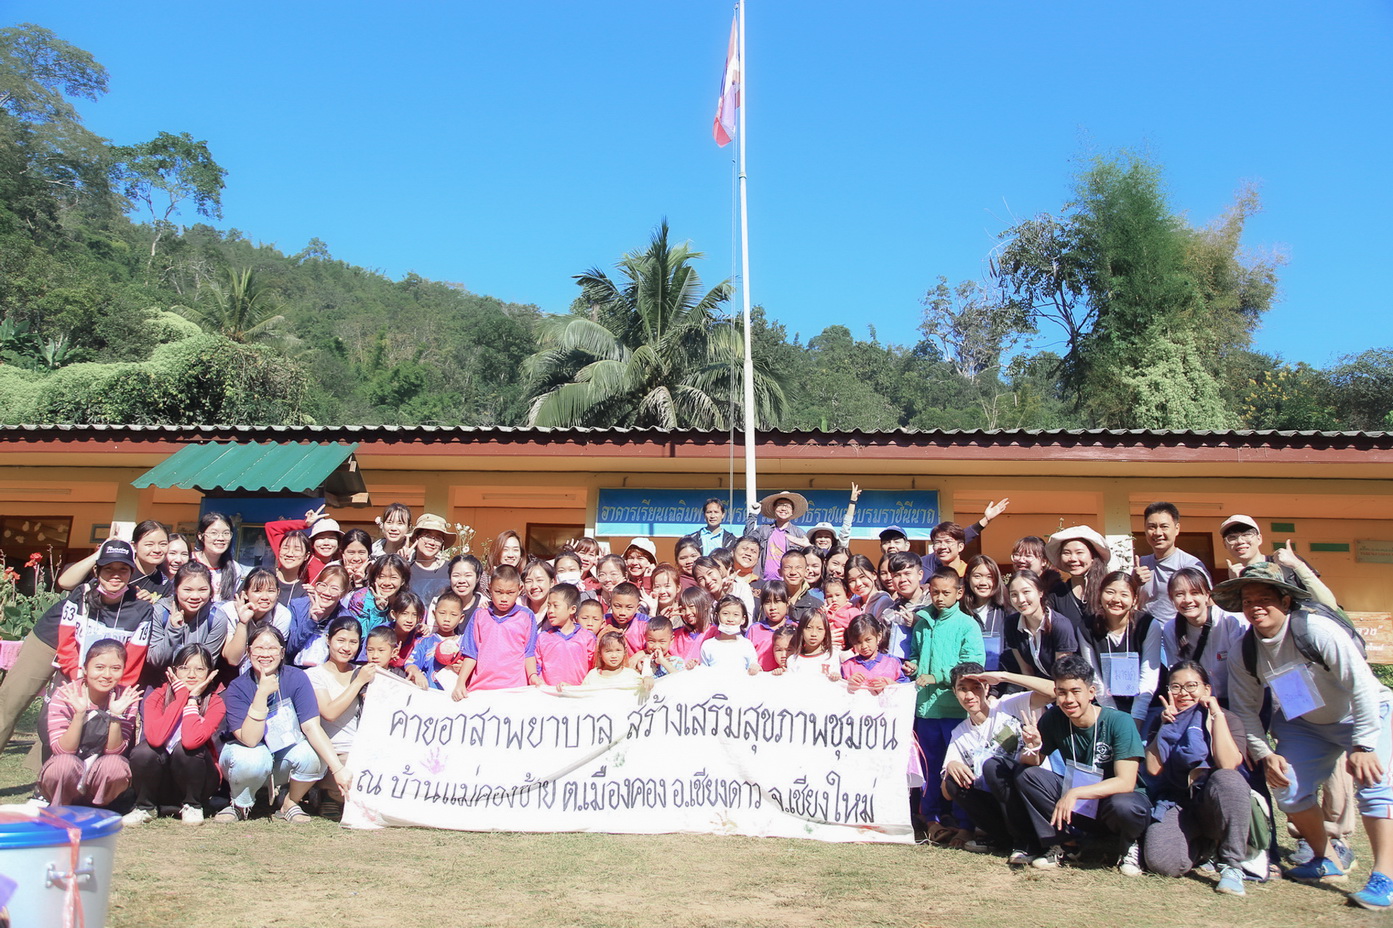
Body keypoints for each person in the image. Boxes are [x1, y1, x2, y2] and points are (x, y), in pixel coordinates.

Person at [1219, 562, 1393, 910]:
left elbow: (1362, 687)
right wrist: (1265, 754)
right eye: (1248, 600)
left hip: (1362, 715)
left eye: (1265, 598)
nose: (1256, 607)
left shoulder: (1317, 631)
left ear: (1285, 601)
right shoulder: (1244, 649)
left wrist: (1364, 744)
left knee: (1375, 786)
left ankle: (1384, 878)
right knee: (1289, 788)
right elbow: (1245, 709)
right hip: (1305, 723)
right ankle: (1325, 859)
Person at [0, 539, 153, 753]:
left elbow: (134, 658)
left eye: (123, 569)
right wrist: (78, 677)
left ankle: (54, 775)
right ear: (96, 570)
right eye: (108, 568)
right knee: (11, 703)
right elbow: (66, 639)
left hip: (99, 666)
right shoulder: (81, 594)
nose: (116, 575)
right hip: (54, 643)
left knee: (63, 719)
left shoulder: (142, 605)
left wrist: (110, 686)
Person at [1013, 655, 1152, 875]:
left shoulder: (1119, 722)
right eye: (1061, 692)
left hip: (1115, 803)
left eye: (1075, 691)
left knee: (1125, 805)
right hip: (1082, 805)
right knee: (1026, 775)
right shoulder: (1054, 718)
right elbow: (1032, 762)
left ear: (1091, 692)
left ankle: (1130, 847)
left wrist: (1075, 793)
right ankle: (1063, 845)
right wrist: (1032, 747)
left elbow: (1126, 782)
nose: (1068, 699)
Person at [214, 624, 350, 823]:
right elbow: (250, 740)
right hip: (245, 757)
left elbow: (311, 727)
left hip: (281, 755)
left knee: (314, 754)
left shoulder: (297, 678)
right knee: (256, 757)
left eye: (271, 648)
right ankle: (240, 803)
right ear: (248, 651)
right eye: (259, 648)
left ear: (282, 652)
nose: (265, 654)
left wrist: (338, 769)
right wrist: (261, 693)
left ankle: (290, 802)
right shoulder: (237, 687)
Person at [1141, 659, 1252, 896]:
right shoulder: (1162, 719)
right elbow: (1153, 769)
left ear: (1207, 689)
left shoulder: (1228, 718)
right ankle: (1204, 848)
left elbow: (1228, 764)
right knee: (1163, 864)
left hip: (1212, 800)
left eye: (1191, 686)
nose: (1183, 693)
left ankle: (1232, 864)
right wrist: (1165, 728)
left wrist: (1216, 715)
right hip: (1177, 801)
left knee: (1228, 780)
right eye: (1175, 687)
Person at [940, 663, 1056, 858]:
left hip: (1028, 791)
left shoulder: (1009, 705)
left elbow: (1054, 691)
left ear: (987, 687)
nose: (970, 696)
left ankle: (1027, 841)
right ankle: (1004, 839)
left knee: (993, 766)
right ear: (955, 692)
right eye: (963, 689)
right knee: (953, 781)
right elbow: (947, 794)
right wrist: (951, 766)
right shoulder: (959, 733)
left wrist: (1004, 676)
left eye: (976, 688)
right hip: (999, 803)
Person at [912, 569, 986, 843]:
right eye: (935, 592)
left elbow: (974, 664)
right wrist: (912, 665)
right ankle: (931, 819)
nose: (940, 598)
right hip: (926, 711)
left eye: (946, 593)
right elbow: (914, 654)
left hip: (955, 710)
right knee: (929, 768)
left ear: (959, 592)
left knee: (959, 767)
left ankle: (965, 823)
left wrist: (939, 676)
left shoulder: (967, 625)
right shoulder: (922, 621)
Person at [128, 643, 224, 825]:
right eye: (184, 668)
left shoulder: (215, 702)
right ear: (173, 671)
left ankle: (192, 805)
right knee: (144, 751)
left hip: (198, 778)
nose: (191, 674)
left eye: (199, 669)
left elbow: (190, 741)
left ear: (210, 673)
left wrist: (193, 700)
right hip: (161, 777)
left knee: (187, 750)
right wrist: (181, 696)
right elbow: (155, 739)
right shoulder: (156, 696)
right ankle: (145, 807)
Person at [39, 639, 142, 809]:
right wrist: (79, 714)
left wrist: (116, 716)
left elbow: (114, 751)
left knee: (116, 765)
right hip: (68, 772)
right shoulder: (66, 694)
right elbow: (62, 750)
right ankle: (61, 806)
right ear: (85, 669)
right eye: (99, 667)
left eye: (115, 668)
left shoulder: (126, 698)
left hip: (99, 773)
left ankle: (99, 808)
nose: (107, 675)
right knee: (63, 765)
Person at [1075, 570, 1162, 727]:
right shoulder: (1086, 628)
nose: (1116, 599)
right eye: (1110, 592)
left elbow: (1149, 676)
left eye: (1124, 594)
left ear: (1134, 599)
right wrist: (1114, 718)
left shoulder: (1148, 625)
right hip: (1106, 706)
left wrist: (1136, 720)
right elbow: (1095, 677)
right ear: (1100, 594)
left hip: (1148, 706)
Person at [308, 617, 370, 818]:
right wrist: (357, 683)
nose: (347, 647)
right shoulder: (314, 675)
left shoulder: (364, 672)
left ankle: (334, 797)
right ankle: (328, 795)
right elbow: (329, 712)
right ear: (328, 640)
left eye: (353, 642)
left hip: (357, 747)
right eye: (341, 640)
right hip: (329, 751)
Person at [1160, 567, 1249, 706]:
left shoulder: (1230, 621)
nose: (1187, 600)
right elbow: (1178, 673)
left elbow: (1243, 672)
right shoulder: (1171, 629)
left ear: (1207, 595)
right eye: (1179, 594)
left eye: (1195, 593)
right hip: (1198, 703)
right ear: (1171, 598)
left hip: (1238, 700)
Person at [449, 565, 539, 697]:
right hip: (481, 688)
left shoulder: (526, 616)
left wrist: (533, 677)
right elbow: (471, 653)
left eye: (510, 593)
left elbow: (529, 653)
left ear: (520, 589)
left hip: (515, 690)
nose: (504, 598)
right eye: (498, 592)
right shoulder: (480, 615)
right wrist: (461, 682)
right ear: (490, 588)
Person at [1220, 514, 1338, 607]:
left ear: (1259, 539)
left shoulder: (1287, 564)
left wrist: (1298, 565)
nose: (1240, 541)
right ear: (1225, 544)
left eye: (1246, 534)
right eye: (1232, 537)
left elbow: (1328, 605)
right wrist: (1235, 586)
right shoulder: (1234, 577)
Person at [1133, 502, 1209, 623]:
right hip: (1146, 633)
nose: (1157, 533)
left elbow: (1208, 603)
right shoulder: (1141, 563)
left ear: (1177, 528)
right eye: (1152, 527)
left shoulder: (1191, 565)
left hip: (1176, 634)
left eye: (1164, 526)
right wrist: (1134, 583)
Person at [148, 562, 229, 673]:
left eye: (202, 590)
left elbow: (207, 665)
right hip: (160, 681)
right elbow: (156, 660)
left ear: (211, 590)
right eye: (188, 590)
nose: (195, 596)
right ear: (176, 589)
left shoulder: (217, 619)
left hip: (196, 681)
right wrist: (174, 630)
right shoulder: (159, 612)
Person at [56, 520, 171, 597]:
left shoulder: (164, 583)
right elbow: (65, 582)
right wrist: (102, 551)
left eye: (163, 544)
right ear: (134, 546)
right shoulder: (114, 567)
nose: (157, 549)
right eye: (149, 544)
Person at [1003, 569, 1078, 681]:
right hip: (1037, 687)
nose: (1020, 600)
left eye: (1026, 592)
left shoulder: (1060, 625)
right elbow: (1026, 671)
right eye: (1014, 594)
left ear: (1040, 592)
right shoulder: (1011, 624)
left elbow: (1062, 676)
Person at [220, 569, 293, 674]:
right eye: (257, 591)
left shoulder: (282, 614)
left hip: (265, 669)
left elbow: (275, 656)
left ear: (278, 593)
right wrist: (243, 623)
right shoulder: (230, 610)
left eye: (270, 591)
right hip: (227, 672)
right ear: (245, 594)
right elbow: (233, 660)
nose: (265, 597)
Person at [918, 499, 1012, 577]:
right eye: (937, 542)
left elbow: (965, 535)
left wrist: (986, 520)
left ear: (961, 547)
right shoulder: (928, 571)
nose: (942, 546)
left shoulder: (971, 575)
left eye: (948, 541)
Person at [1044, 525, 1111, 631]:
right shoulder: (1057, 593)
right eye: (1066, 553)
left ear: (1093, 556)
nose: (1073, 558)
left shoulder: (1109, 589)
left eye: (1079, 552)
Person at [286, 566, 352, 667]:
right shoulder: (297, 606)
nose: (326, 592)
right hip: (295, 669)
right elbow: (289, 648)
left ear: (343, 593)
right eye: (322, 585)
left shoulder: (346, 619)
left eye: (334, 588)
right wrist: (312, 622)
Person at [536, 583, 596, 686]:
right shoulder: (542, 638)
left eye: (556, 606)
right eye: (549, 606)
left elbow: (594, 670)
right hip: (550, 696)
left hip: (578, 696)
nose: (550, 611)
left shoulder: (587, 638)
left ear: (572, 609)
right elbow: (537, 668)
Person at [264, 506, 341, 586]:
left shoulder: (338, 567)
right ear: (312, 543)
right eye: (321, 538)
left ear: (338, 542)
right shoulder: (296, 556)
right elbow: (271, 527)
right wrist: (304, 524)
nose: (326, 543)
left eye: (331, 538)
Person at [744, 491, 812, 582]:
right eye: (780, 505)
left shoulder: (799, 534)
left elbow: (809, 559)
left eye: (787, 506)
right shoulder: (763, 529)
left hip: (787, 582)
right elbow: (747, 541)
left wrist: (808, 546)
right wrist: (753, 515)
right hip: (761, 581)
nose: (783, 509)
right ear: (774, 508)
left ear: (792, 511)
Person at [408, 591, 468, 689]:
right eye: (442, 613)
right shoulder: (425, 642)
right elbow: (411, 664)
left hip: (456, 696)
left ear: (461, 618)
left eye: (453, 614)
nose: (447, 619)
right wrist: (417, 674)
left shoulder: (466, 643)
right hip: (430, 695)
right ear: (434, 614)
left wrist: (463, 668)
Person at [343, 555, 411, 639]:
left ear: (403, 581)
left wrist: (420, 628)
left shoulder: (407, 602)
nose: (387, 583)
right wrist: (378, 611)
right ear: (374, 578)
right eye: (381, 577)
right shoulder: (361, 598)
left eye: (393, 577)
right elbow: (362, 637)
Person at [964, 555, 1009, 671]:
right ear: (968, 578)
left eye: (990, 577)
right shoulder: (960, 613)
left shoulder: (1007, 611)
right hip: (969, 681)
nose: (983, 582)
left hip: (1003, 682)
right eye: (977, 576)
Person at [841, 614, 907, 692]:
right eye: (858, 642)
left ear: (878, 636)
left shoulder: (892, 662)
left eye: (868, 640)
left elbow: (905, 688)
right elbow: (840, 691)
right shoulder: (847, 666)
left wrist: (890, 684)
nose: (864, 646)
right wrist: (848, 683)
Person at [191, 512, 246, 603]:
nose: (221, 538)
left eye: (226, 533)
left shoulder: (234, 568)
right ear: (200, 536)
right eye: (214, 533)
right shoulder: (188, 561)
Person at [700, 595, 761, 674]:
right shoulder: (708, 645)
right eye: (725, 613)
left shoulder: (746, 645)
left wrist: (755, 668)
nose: (730, 619)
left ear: (743, 619)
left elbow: (753, 667)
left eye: (736, 614)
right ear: (717, 616)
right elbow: (703, 672)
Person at [406, 514, 455, 604]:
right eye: (427, 536)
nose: (432, 542)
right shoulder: (405, 569)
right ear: (416, 538)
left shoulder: (451, 569)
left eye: (438, 538)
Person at [749, 581, 795, 671]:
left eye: (777, 601)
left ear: (788, 602)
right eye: (767, 602)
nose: (773, 607)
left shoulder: (795, 628)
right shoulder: (755, 629)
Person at [786, 609, 840, 680]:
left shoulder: (832, 656)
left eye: (819, 629)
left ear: (825, 632)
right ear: (801, 630)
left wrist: (836, 676)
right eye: (809, 628)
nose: (814, 634)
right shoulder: (793, 660)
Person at [268, 528, 312, 609]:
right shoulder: (262, 575)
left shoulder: (304, 592)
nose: (289, 553)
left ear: (306, 556)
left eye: (297, 549)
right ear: (279, 550)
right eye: (285, 548)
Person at [671, 586, 715, 662]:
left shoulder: (714, 632)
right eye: (684, 609)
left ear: (705, 605)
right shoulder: (677, 634)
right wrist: (664, 622)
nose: (687, 612)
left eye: (691, 607)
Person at [606, 582, 650, 656]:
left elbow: (656, 647)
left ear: (637, 607)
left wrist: (640, 654)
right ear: (610, 603)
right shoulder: (603, 622)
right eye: (617, 606)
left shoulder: (645, 624)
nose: (622, 612)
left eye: (629, 607)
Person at [820, 577, 859, 651]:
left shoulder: (852, 612)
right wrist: (824, 616)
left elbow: (858, 633)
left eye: (838, 595)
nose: (834, 599)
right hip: (826, 647)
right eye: (829, 596)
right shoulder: (822, 613)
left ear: (848, 596)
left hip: (846, 649)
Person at [521, 559, 556, 625]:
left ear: (552, 583)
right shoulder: (517, 606)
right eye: (528, 581)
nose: (534, 586)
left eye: (539, 580)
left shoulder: (558, 609)